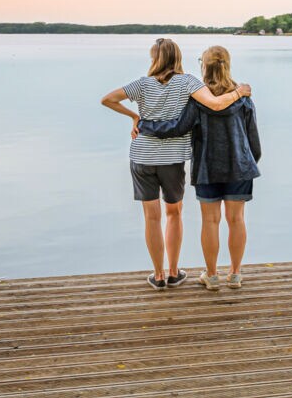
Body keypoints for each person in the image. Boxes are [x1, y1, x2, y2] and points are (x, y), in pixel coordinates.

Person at [101, 38, 251, 290]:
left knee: (151, 217)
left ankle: (159, 276)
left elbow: (108, 99)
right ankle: (176, 272)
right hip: (174, 159)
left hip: (142, 156)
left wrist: (135, 117)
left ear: (155, 59)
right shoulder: (188, 83)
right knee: (175, 213)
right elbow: (218, 106)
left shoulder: (142, 84)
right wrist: (240, 92)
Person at [138, 45, 260, 291]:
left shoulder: (197, 99)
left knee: (211, 222)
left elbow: (176, 128)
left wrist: (145, 125)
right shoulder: (244, 98)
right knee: (237, 219)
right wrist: (249, 162)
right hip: (240, 167)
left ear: (204, 66)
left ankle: (212, 276)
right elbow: (254, 141)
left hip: (207, 168)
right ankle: (235, 274)